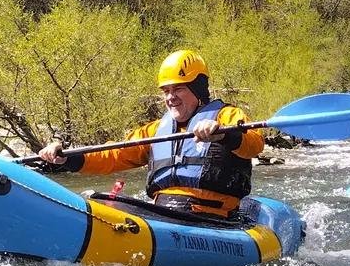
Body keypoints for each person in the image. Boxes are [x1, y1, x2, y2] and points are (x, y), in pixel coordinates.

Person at [36, 50, 264, 217]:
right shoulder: (156, 130)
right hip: (164, 211)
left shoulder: (226, 116)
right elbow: (113, 155)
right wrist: (67, 158)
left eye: (179, 89)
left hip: (213, 216)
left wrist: (224, 134)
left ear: (198, 90)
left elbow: (254, 143)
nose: (170, 97)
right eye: (166, 91)